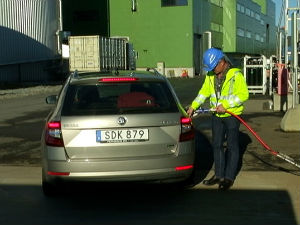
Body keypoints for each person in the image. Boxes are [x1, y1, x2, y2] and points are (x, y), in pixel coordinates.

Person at [187, 48, 249, 190]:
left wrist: (226, 105)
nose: (212, 70)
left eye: (214, 66)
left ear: (222, 62)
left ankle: (229, 177)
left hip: (232, 116)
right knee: (217, 145)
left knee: (232, 146)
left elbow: (243, 95)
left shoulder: (236, 75)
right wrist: (193, 106)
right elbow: (204, 92)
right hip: (216, 115)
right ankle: (219, 174)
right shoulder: (210, 75)